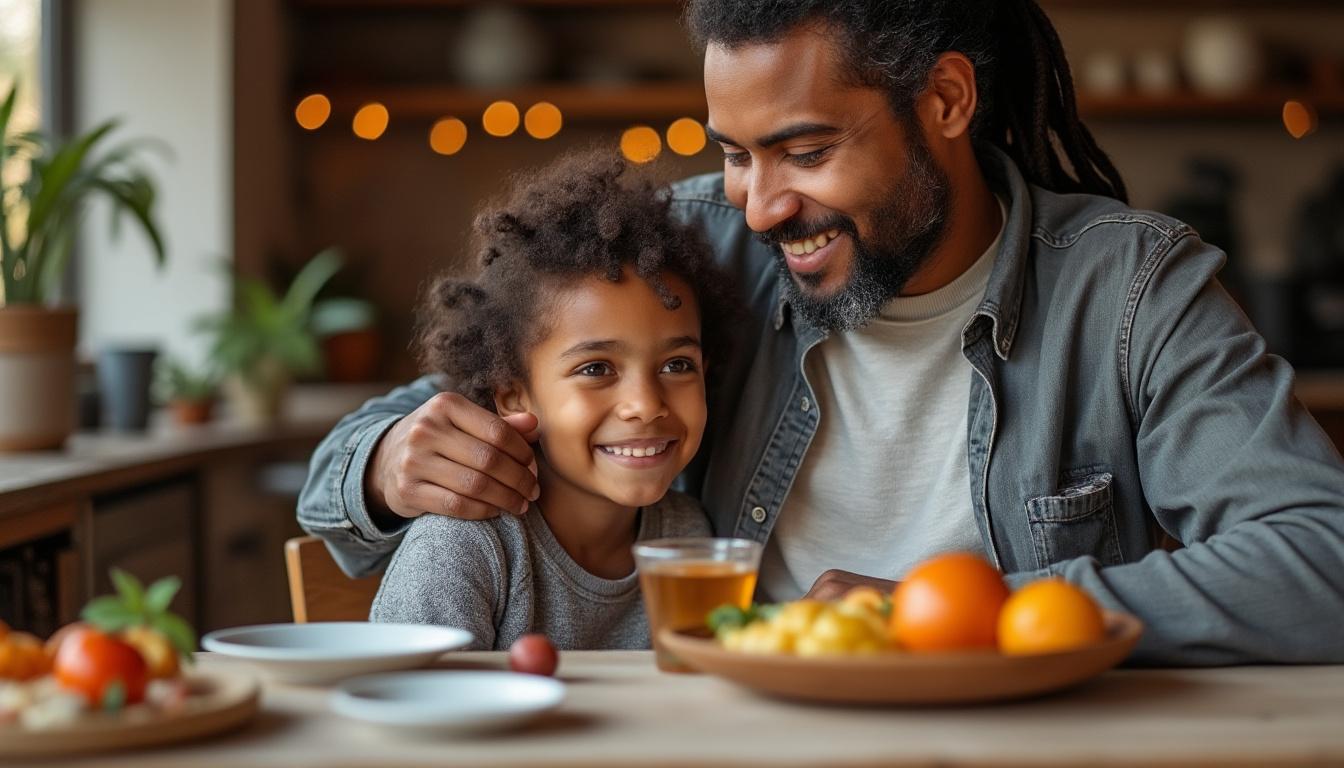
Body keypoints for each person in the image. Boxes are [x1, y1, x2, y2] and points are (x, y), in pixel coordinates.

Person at [299, 0, 1344, 665]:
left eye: (802, 149)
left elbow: (1322, 564)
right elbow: (442, 404)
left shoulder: (1128, 291)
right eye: (738, 154)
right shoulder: (702, 241)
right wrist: (391, 460)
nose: (757, 205)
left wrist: (966, 612)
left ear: (945, 98)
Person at [368, 151, 736, 649]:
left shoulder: (688, 537)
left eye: (677, 365)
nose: (646, 404)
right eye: (596, 369)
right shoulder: (465, 546)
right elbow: (413, 705)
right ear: (514, 395)